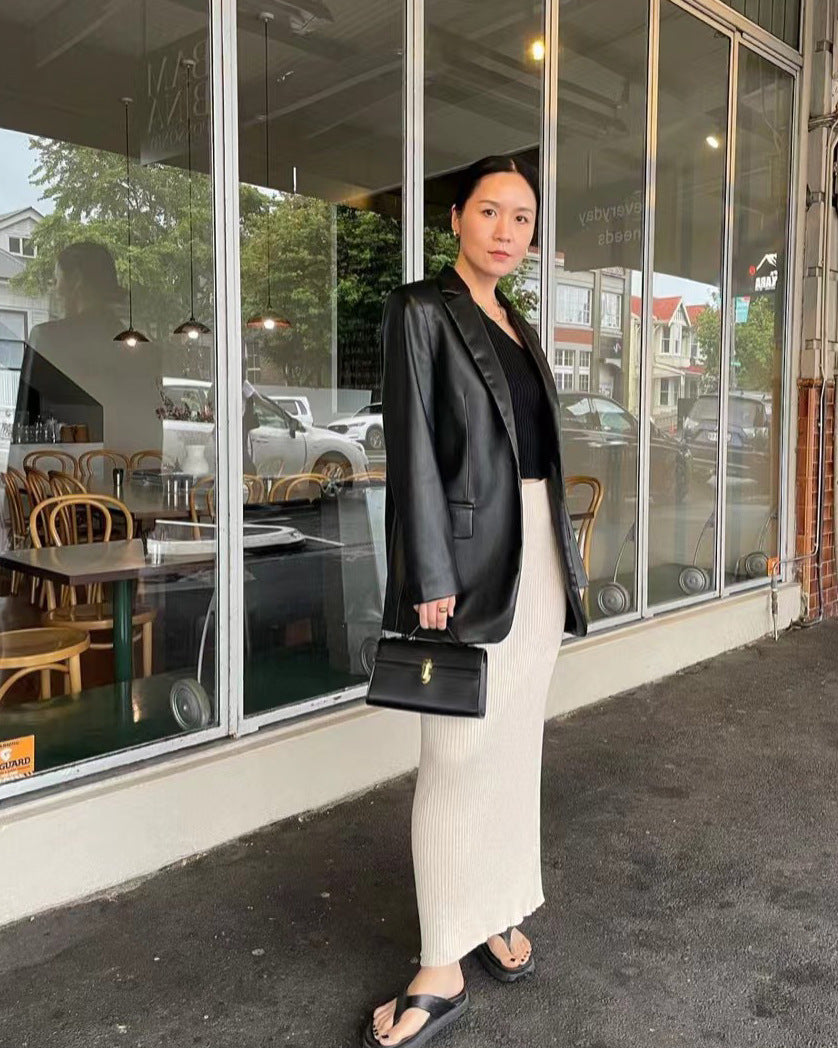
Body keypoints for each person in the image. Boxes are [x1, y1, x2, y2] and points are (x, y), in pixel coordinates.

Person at [362, 156, 589, 1047]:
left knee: (514, 745)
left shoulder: (517, 324)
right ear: (455, 217)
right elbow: (412, 443)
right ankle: (440, 965)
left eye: (522, 218)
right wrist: (428, 574)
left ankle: (497, 908)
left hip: (537, 554)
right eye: (490, 211)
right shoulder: (421, 309)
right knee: (456, 756)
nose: (506, 230)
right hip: (462, 558)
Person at [26, 241, 163, 453]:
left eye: (57, 280)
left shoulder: (46, 339)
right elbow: (151, 439)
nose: (54, 290)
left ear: (76, 280)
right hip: (124, 470)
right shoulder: (143, 352)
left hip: (65, 470)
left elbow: (28, 431)